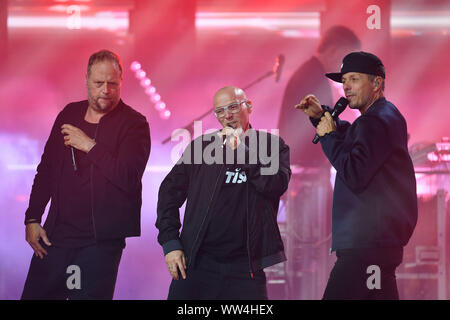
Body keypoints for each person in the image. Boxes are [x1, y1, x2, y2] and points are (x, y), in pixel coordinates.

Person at [21, 50, 151, 300]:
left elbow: (128, 178)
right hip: (55, 236)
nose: (105, 90)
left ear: (121, 82)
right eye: (99, 83)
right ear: (87, 80)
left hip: (99, 243)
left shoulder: (134, 124)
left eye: (112, 84)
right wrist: (32, 217)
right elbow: (46, 168)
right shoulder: (69, 113)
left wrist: (89, 146)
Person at [296, 51, 418, 300]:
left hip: (365, 247)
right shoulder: (383, 117)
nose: (346, 87)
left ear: (377, 83)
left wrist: (328, 136)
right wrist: (322, 117)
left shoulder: (376, 121)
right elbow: (358, 140)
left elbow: (354, 171)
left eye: (354, 79)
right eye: (344, 81)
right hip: (378, 244)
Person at [156, 86, 291, 300]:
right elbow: (168, 193)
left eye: (233, 107)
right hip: (198, 263)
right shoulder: (201, 148)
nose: (227, 115)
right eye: (220, 111)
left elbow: (276, 185)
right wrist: (170, 243)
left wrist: (243, 151)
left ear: (249, 106)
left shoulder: (271, 146)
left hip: (246, 268)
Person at [278, 25, 361, 167]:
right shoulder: (312, 77)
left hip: (299, 165)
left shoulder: (312, 72)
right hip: (304, 169)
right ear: (335, 51)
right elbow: (322, 127)